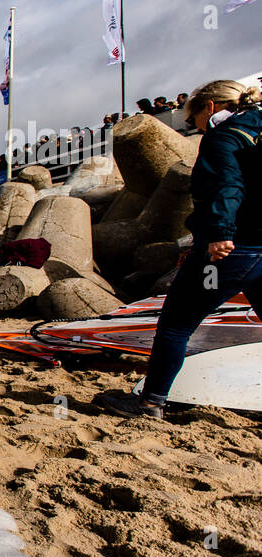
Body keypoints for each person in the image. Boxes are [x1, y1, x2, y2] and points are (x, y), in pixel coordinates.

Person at [103, 79, 261, 419]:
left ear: (210, 107)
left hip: (229, 249)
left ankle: (150, 403)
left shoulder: (225, 136)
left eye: (194, 119)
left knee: (176, 325)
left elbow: (227, 186)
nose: (195, 127)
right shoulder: (259, 128)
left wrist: (219, 232)